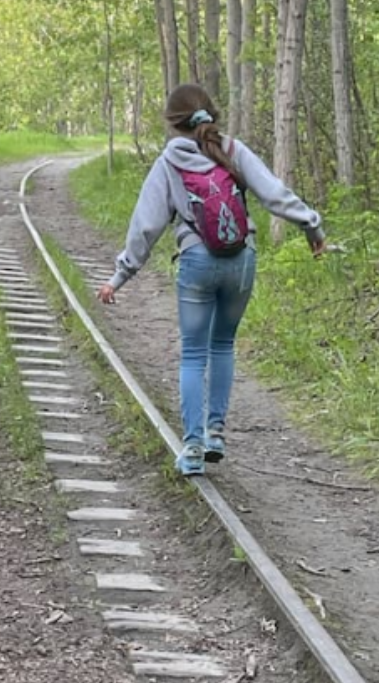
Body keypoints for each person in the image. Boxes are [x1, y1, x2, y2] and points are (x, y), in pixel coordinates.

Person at [97, 83, 325, 477]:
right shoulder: (231, 149)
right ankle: (216, 432)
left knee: (193, 353)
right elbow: (274, 194)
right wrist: (312, 227)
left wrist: (120, 277)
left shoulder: (169, 162)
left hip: (197, 261)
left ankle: (192, 447)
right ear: (210, 115)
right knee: (223, 344)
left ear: (173, 124)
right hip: (242, 260)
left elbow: (146, 226)